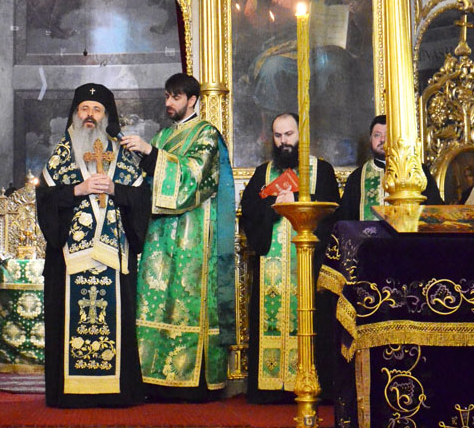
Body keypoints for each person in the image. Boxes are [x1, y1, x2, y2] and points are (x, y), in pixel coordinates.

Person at [121, 73, 237, 402]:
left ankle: (194, 384)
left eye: (175, 97)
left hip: (192, 238)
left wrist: (151, 153)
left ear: (192, 100)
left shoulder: (206, 135)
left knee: (186, 304)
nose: (169, 103)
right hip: (160, 238)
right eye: (167, 97)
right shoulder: (164, 135)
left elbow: (194, 179)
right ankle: (153, 380)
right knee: (154, 301)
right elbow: (149, 184)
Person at [36, 83, 150, 408]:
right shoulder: (60, 156)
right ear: (75, 114)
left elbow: (141, 199)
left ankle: (116, 391)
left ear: (106, 115)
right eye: (84, 109)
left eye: (96, 109)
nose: (90, 115)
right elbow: (44, 201)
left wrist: (116, 189)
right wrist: (77, 190)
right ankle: (69, 393)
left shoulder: (123, 156)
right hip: (68, 261)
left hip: (114, 258)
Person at [239, 112, 339, 403]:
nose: (284, 142)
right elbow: (249, 211)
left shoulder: (322, 170)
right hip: (272, 266)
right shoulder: (264, 173)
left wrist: (298, 204)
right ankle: (270, 390)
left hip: (309, 265)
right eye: (278, 136)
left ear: (301, 135)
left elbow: (334, 215)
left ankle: (312, 386)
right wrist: (272, 205)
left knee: (313, 320)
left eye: (289, 135)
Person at [244, 0, 358, 153]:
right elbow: (255, 16)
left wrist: (347, 14)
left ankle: (328, 130)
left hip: (320, 49)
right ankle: (275, 132)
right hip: (284, 50)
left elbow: (340, 22)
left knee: (333, 67)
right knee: (271, 69)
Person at [335, 116, 442, 221]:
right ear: (370, 140)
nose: (382, 139)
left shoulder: (417, 170)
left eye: (387, 134)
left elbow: (435, 211)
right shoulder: (357, 177)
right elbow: (346, 220)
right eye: (377, 135)